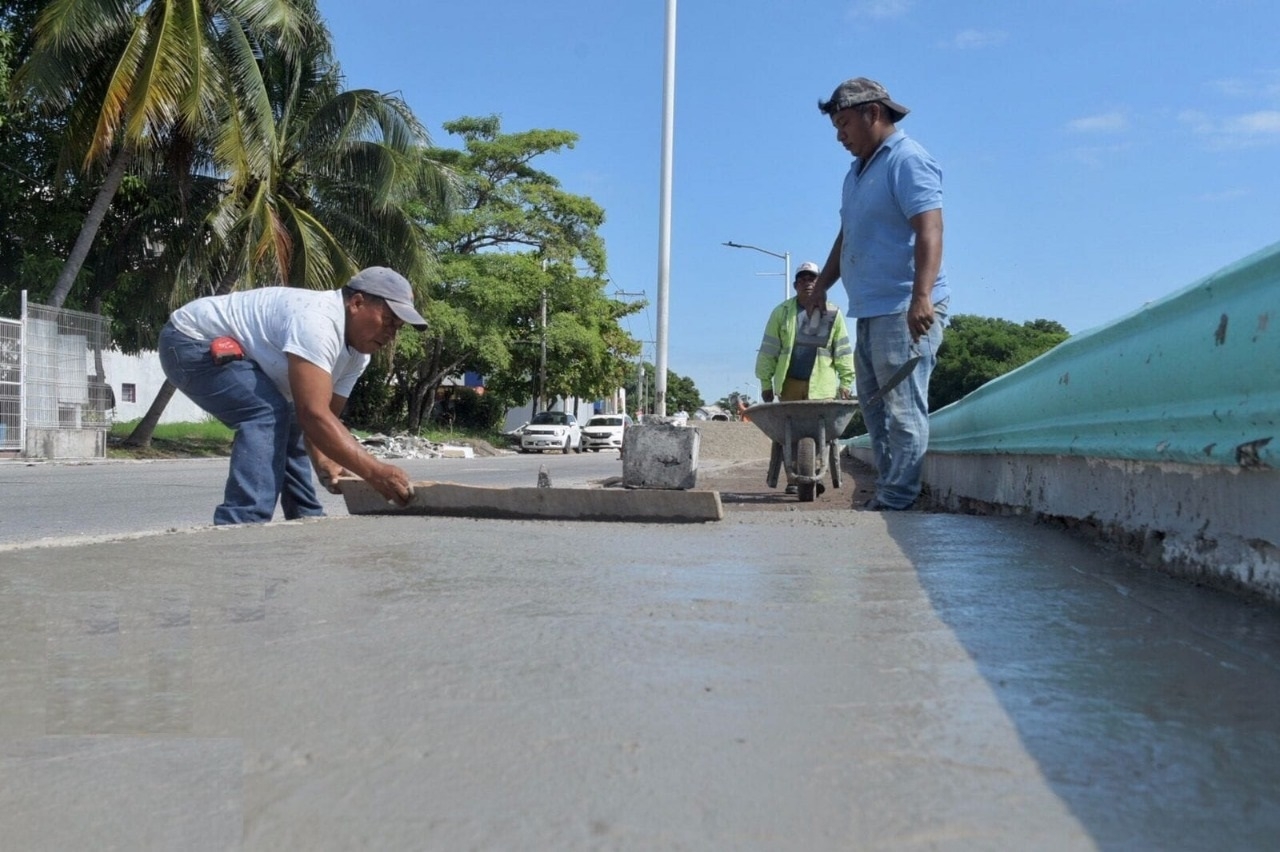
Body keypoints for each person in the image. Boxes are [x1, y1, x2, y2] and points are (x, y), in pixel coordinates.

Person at [158, 267, 427, 524]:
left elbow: (322, 419)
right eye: (389, 320)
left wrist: (324, 461)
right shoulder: (318, 322)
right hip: (190, 340)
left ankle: (305, 515)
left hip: (234, 352)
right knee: (266, 413)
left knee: (293, 421)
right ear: (356, 303)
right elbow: (315, 416)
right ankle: (242, 523)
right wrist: (374, 472)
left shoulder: (358, 356)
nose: (392, 334)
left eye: (398, 327)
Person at [808, 77, 950, 511]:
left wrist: (921, 296)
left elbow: (930, 226)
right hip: (869, 311)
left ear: (873, 112)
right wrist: (821, 287)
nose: (840, 136)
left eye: (844, 123)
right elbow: (846, 236)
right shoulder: (856, 173)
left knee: (903, 411)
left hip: (905, 309)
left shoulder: (907, 159)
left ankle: (899, 500)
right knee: (876, 414)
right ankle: (891, 493)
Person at [755, 260, 856, 494]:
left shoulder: (832, 313)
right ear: (795, 285)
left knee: (821, 435)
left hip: (822, 384)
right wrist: (765, 382)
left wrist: (846, 382)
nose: (808, 283)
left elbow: (842, 350)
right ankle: (792, 479)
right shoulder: (782, 313)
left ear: (821, 283)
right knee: (789, 433)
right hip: (789, 383)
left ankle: (816, 474)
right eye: (802, 279)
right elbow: (769, 349)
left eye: (812, 278)